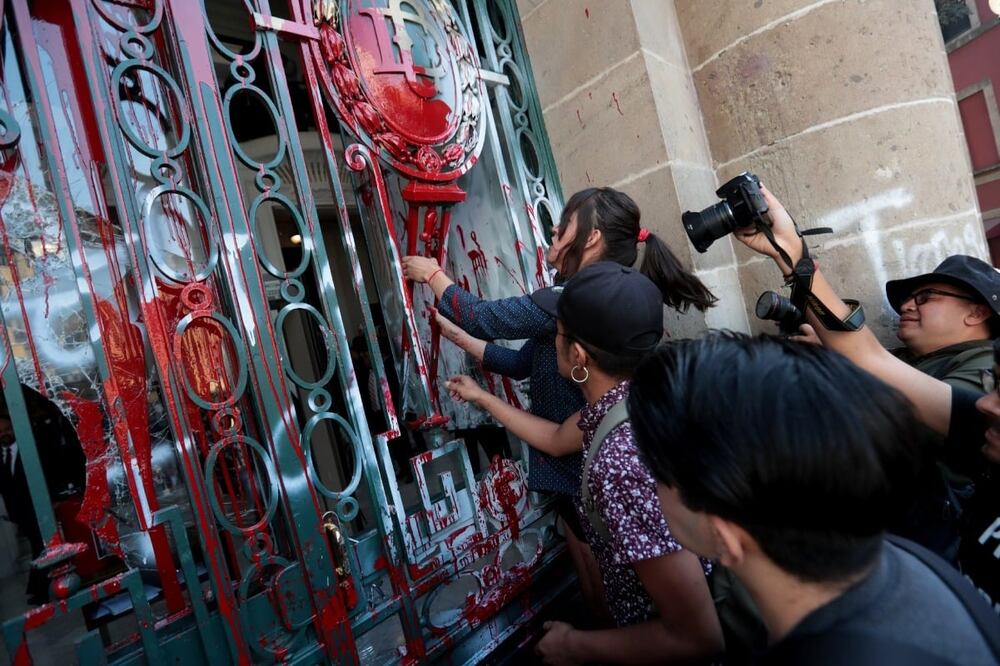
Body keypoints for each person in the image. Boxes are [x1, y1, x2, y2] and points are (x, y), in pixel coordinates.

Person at [403, 187, 716, 620]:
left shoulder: (577, 301)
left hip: (582, 463)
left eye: (566, 222)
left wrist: (436, 275)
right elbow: (523, 362)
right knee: (599, 576)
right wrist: (465, 342)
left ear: (591, 237)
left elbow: (485, 317)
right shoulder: (582, 302)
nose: (554, 228)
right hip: (571, 454)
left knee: (608, 580)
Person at [448, 262, 723, 664]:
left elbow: (698, 635)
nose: (550, 342)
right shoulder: (632, 400)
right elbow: (557, 440)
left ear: (577, 354)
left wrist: (574, 647)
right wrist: (483, 398)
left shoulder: (622, 462)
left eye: (555, 333)